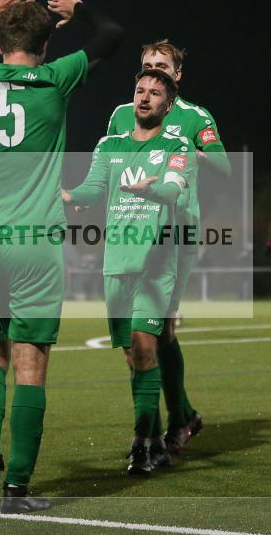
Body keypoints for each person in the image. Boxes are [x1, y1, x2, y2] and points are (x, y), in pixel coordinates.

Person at [0, 0, 122, 513]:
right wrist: (79, 9)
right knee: (31, 363)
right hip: (36, 243)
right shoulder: (56, 78)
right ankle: (16, 487)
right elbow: (111, 34)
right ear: (46, 44)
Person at [63, 68, 194, 475]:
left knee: (143, 346)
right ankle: (155, 440)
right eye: (139, 90)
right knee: (133, 358)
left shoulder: (178, 145)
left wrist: (150, 190)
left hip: (156, 264)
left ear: (167, 105)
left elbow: (174, 189)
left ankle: (140, 443)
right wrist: (66, 195)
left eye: (154, 93)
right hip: (116, 263)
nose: (144, 98)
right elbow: (93, 189)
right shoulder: (109, 145)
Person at [105, 39, 229, 455]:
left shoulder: (195, 117)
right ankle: (166, 426)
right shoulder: (123, 114)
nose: (152, 70)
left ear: (177, 75)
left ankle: (169, 427)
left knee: (160, 330)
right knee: (134, 341)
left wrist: (189, 154)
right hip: (131, 233)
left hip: (176, 233)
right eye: (146, 65)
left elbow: (225, 166)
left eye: (161, 65)